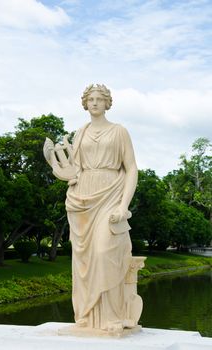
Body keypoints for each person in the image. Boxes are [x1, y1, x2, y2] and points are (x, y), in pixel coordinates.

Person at [65, 84, 138, 333]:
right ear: (85, 103)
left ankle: (112, 315)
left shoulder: (119, 132)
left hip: (111, 193)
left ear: (108, 103)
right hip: (83, 198)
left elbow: (131, 169)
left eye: (100, 99)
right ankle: (86, 313)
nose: (95, 102)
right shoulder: (80, 133)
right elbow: (75, 170)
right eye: (91, 99)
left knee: (106, 251)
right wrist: (64, 174)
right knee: (84, 259)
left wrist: (123, 204)